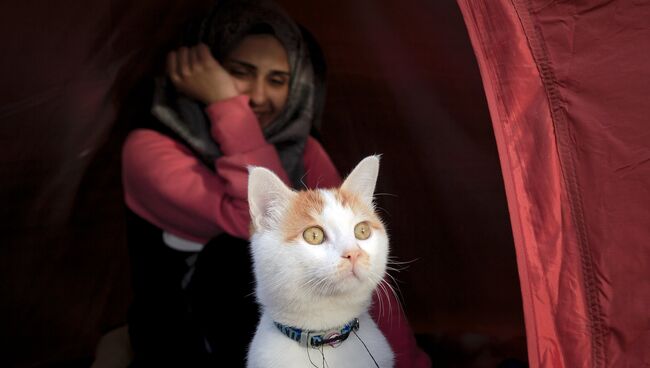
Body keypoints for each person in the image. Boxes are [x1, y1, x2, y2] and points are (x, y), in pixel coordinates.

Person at [121, 0, 431, 366]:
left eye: (278, 80)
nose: (257, 95)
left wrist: (409, 362)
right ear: (201, 71)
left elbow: (363, 278)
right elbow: (248, 221)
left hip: (308, 339)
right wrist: (225, 103)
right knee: (235, 254)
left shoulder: (303, 148)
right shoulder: (148, 150)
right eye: (239, 72)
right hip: (180, 338)